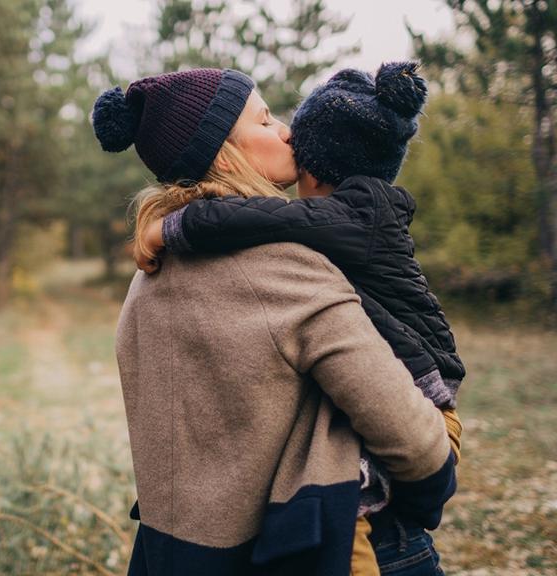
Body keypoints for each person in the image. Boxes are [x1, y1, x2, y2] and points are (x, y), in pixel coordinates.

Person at [92, 67, 456, 576]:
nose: (287, 131)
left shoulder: (147, 277)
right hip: (322, 548)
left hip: (182, 554)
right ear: (224, 151)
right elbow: (415, 443)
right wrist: (430, 491)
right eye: (265, 121)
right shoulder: (286, 267)